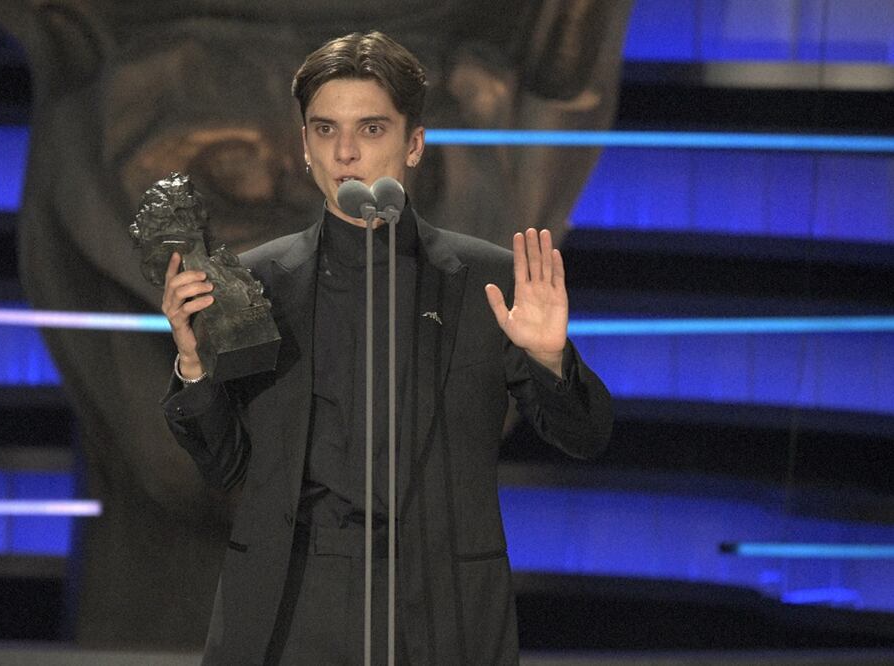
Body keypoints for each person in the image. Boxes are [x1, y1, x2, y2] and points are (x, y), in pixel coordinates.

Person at [161, 31, 613, 665]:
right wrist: (193, 368)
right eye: (325, 130)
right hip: (291, 605)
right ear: (304, 145)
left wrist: (549, 360)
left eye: (371, 129)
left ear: (414, 143)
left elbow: (585, 437)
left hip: (440, 605)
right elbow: (229, 470)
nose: (345, 152)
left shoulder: (486, 282)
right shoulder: (254, 285)